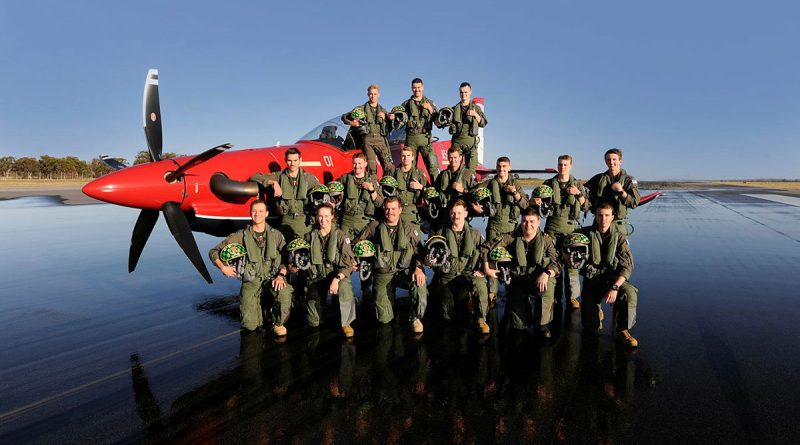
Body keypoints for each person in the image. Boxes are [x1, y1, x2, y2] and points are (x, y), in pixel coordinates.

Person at [208, 200, 293, 336]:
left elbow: (286, 257)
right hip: (251, 281)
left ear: (266, 213)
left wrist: (281, 275)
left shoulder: (275, 235)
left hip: (272, 278)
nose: (257, 214)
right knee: (250, 327)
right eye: (254, 211)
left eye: (260, 211)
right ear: (250, 213)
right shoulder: (241, 235)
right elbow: (213, 251)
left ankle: (278, 323)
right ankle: (262, 311)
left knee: (284, 291)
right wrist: (223, 267)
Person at [484, 207, 561, 338]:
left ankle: (541, 324)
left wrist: (547, 273)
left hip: (537, 279)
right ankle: (513, 308)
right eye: (525, 221)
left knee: (550, 282)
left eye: (532, 221)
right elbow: (486, 247)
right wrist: (487, 268)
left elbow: (557, 263)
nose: (528, 225)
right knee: (518, 326)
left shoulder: (547, 240)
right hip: (517, 281)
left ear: (538, 222)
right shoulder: (510, 237)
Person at [356, 196, 428, 333]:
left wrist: (418, 268)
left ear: (400, 210)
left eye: (394, 208)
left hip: (403, 271)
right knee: (384, 319)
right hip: (382, 274)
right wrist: (358, 260)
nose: (390, 212)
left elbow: (419, 251)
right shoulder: (374, 227)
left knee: (420, 282)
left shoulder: (408, 228)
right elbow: (358, 244)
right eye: (387, 209)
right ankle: (388, 303)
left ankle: (416, 317)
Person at [578, 202, 639, 347]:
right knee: (592, 329)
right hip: (592, 280)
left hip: (613, 280)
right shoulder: (584, 234)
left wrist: (616, 287)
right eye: (600, 215)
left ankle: (623, 330)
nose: (603, 219)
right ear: (595, 216)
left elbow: (627, 266)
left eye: (607, 215)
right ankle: (596, 310)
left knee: (629, 293)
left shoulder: (620, 238)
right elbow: (565, 244)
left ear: (612, 217)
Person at [428, 199, 490, 334]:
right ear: (450, 214)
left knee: (480, 285)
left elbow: (486, 251)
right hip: (447, 275)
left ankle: (481, 319)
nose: (456, 216)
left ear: (466, 214)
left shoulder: (475, 234)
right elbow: (431, 254)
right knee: (448, 317)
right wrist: (431, 262)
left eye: (459, 213)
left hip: (467, 273)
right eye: (453, 213)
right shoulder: (441, 233)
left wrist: (483, 270)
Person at [475, 156, 528, 305]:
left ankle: (512, 291)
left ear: (509, 168)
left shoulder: (515, 184)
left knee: (512, 260)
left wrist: (515, 193)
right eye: (499, 166)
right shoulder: (490, 183)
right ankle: (492, 293)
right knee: (492, 259)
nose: (501, 169)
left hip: (511, 229)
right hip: (494, 227)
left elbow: (525, 205)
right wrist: (474, 205)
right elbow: (474, 191)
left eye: (504, 167)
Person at [537, 155, 588, 310]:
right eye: (560, 165)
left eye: (565, 165)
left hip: (571, 231)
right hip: (552, 230)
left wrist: (578, 194)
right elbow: (537, 206)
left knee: (572, 265)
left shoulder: (578, 184)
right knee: (552, 263)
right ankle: (554, 295)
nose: (562, 167)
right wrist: (536, 202)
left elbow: (587, 206)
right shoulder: (548, 184)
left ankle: (572, 297)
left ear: (571, 166)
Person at [301, 203, 358, 338]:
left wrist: (337, 279)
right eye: (320, 216)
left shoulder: (341, 237)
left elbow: (348, 264)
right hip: (317, 276)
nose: (323, 219)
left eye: (326, 216)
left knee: (344, 288)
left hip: (335, 276)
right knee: (313, 322)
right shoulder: (309, 237)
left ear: (332, 216)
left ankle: (346, 323)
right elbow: (303, 259)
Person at [249, 147, 320, 241]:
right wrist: (273, 183)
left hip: (305, 222)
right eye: (289, 160)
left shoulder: (309, 179)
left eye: (295, 160)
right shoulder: (279, 177)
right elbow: (254, 177)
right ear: (285, 161)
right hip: (287, 221)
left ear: (300, 160)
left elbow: (321, 196)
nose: (292, 163)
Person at [584, 148, 641, 235]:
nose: (611, 162)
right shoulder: (598, 179)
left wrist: (621, 191)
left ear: (620, 161)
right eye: (609, 159)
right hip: (599, 223)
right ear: (605, 161)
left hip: (618, 225)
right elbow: (585, 191)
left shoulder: (628, 180)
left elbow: (634, 203)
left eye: (614, 159)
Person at [341, 84, 395, 175]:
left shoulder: (383, 110)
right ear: (368, 95)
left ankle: (387, 185)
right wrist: (353, 123)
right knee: (371, 168)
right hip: (368, 140)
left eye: (375, 94)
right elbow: (344, 117)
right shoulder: (361, 109)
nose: (373, 96)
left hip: (381, 139)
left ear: (378, 95)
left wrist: (388, 118)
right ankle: (373, 187)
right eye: (371, 94)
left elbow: (390, 128)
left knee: (388, 166)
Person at [399, 78, 439, 180]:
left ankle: (437, 193)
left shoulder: (430, 103)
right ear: (412, 89)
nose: (417, 90)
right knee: (409, 168)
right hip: (411, 138)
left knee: (433, 166)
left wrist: (430, 109)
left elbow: (438, 122)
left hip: (425, 138)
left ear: (423, 87)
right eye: (414, 88)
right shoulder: (406, 104)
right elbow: (397, 118)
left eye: (419, 87)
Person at [337, 153, 383, 239]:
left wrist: (371, 189)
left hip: (363, 221)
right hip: (347, 220)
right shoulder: (345, 178)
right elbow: (333, 190)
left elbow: (379, 203)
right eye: (355, 163)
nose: (357, 166)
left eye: (359, 163)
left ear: (365, 164)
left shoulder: (372, 180)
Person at [448, 82, 487, 170]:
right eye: (461, 92)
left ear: (470, 92)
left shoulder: (476, 108)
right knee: (454, 169)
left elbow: (483, 123)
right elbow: (443, 123)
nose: (463, 94)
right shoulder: (453, 109)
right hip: (457, 142)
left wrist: (475, 115)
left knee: (470, 170)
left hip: (470, 143)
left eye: (466, 92)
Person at [392, 145, 428, 227]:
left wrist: (420, 187)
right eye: (403, 156)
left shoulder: (418, 173)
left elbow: (430, 191)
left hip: (413, 212)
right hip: (398, 212)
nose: (406, 158)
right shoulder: (394, 172)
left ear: (412, 157)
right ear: (400, 157)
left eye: (408, 155)